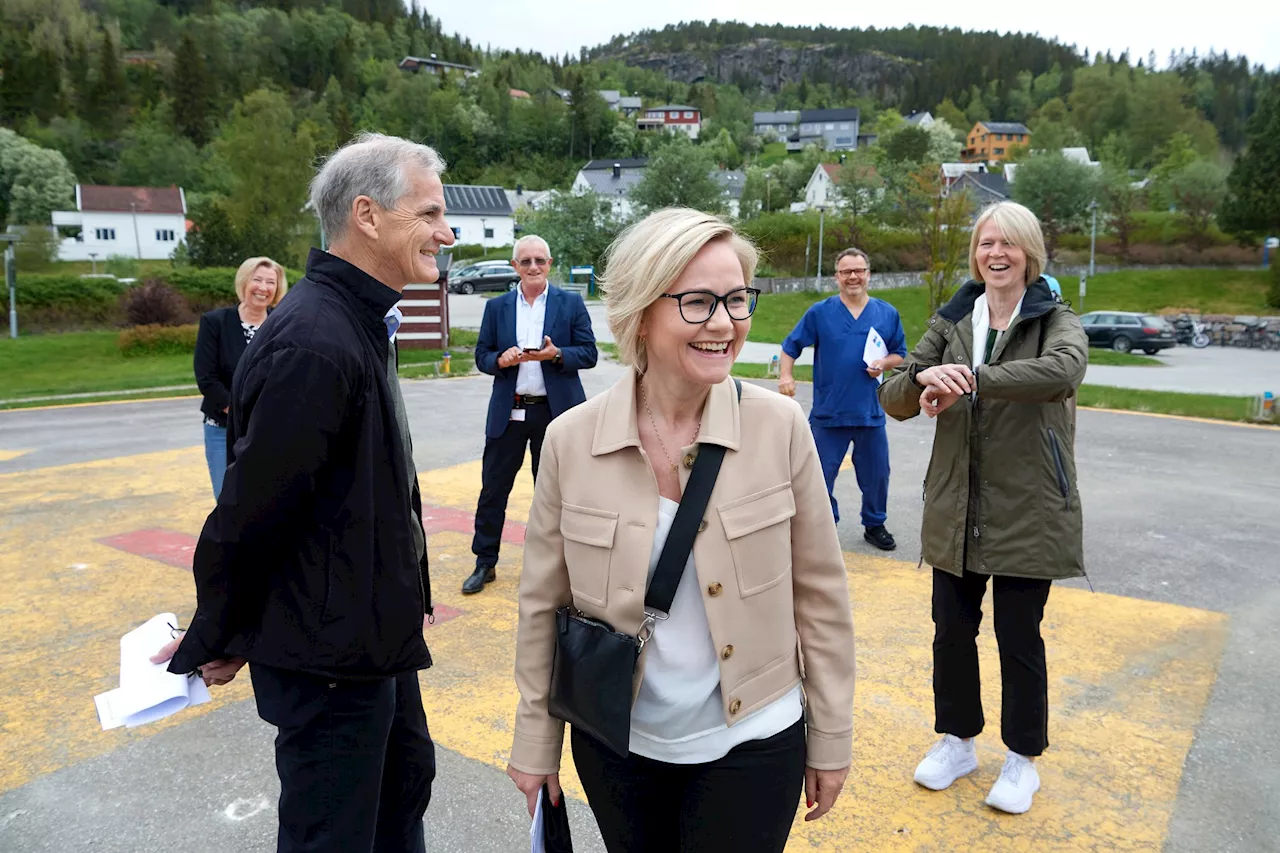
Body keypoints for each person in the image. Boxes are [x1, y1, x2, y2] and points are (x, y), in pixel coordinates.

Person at [506, 208, 855, 852]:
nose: (724, 324)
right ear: (641, 311)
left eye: (737, 300)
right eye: (697, 302)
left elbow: (822, 599)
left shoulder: (780, 428)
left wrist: (831, 737)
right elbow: (541, 606)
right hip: (619, 748)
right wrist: (536, 742)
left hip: (754, 740)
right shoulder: (570, 441)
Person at [151, 132, 456, 852]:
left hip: (369, 636)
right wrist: (219, 630)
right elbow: (254, 511)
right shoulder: (316, 339)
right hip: (329, 656)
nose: (445, 232)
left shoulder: (356, 322)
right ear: (368, 215)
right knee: (334, 832)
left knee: (401, 788)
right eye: (431, 212)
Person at [878, 201, 1087, 815]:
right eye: (986, 243)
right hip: (956, 504)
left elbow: (1065, 370)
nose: (995, 254)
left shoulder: (1053, 315)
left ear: (1030, 254)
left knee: (1018, 636)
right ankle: (959, 741)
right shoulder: (953, 318)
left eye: (1008, 244)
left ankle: (1023, 759)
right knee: (951, 631)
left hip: (1030, 508)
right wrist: (924, 382)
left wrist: (971, 377)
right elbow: (894, 396)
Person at [462, 234, 597, 596]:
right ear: (514, 267)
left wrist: (554, 355)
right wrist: (499, 360)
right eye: (526, 261)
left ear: (550, 264)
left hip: (556, 413)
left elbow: (588, 353)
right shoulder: (498, 307)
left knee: (554, 492)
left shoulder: (570, 303)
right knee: (494, 489)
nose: (534, 267)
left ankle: (557, 564)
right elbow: (482, 356)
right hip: (510, 411)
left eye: (540, 260)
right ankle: (484, 561)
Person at [778, 248, 907, 551]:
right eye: (846, 271)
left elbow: (899, 353)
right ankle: (824, 525)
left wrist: (884, 364)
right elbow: (790, 347)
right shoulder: (820, 313)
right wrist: (786, 375)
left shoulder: (887, 313)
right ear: (837, 277)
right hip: (829, 414)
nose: (853, 276)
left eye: (858, 270)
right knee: (817, 476)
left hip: (870, 413)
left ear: (868, 274)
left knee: (877, 475)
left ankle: (875, 524)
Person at [193, 256, 287, 498]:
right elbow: (207, 379)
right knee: (228, 501)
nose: (263, 288)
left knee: (265, 501)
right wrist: (240, 413)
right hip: (222, 431)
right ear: (244, 282)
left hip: (269, 431)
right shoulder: (215, 322)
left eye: (271, 282)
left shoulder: (283, 323)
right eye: (257, 280)